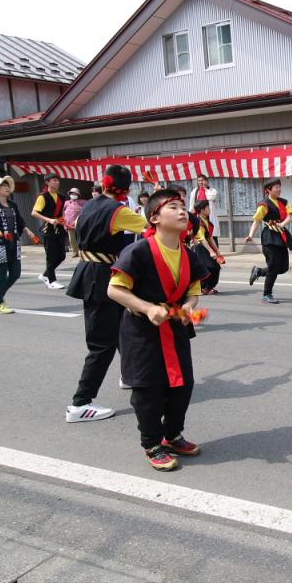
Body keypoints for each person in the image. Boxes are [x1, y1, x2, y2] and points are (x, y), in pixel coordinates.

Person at [108, 188, 209, 471]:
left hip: (175, 328)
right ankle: (152, 444)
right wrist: (147, 307)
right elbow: (114, 290)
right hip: (142, 330)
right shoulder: (138, 250)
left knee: (182, 386)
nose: (182, 212)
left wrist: (189, 306)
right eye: (173, 206)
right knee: (148, 391)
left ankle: (172, 435)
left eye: (182, 207)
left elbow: (194, 290)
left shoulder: (188, 253)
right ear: (154, 217)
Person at [64, 165, 148, 423]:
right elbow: (151, 225)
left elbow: (76, 229)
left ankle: (129, 374)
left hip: (89, 269)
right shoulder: (118, 211)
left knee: (121, 325)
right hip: (101, 275)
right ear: (126, 189)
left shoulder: (89, 204)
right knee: (101, 344)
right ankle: (80, 403)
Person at [0, 176, 39, 314]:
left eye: (7, 185)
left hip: (13, 242)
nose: (7, 188)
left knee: (15, 273)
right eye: (3, 185)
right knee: (1, 275)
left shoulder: (13, 204)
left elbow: (19, 221)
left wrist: (27, 230)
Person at [246, 178, 292, 304]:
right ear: (268, 190)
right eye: (276, 187)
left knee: (283, 267)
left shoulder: (284, 202)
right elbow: (257, 221)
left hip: (281, 236)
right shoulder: (264, 204)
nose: (279, 189)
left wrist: (282, 224)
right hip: (269, 237)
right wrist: (251, 235)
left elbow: (289, 216)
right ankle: (266, 294)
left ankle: (259, 271)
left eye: (279, 186)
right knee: (273, 267)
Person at [32, 174, 68, 289]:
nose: (57, 182)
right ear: (47, 182)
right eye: (54, 180)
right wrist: (49, 220)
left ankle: (45, 274)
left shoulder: (62, 197)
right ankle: (51, 281)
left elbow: (62, 212)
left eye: (58, 180)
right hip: (48, 229)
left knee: (62, 256)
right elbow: (34, 213)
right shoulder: (43, 197)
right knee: (51, 256)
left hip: (59, 228)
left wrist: (63, 219)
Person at [190, 199, 224, 295]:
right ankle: (203, 288)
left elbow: (209, 237)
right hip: (200, 247)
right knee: (208, 268)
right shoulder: (198, 222)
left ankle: (208, 287)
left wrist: (217, 251)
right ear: (202, 210)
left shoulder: (207, 221)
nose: (209, 209)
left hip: (206, 246)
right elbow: (202, 239)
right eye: (207, 207)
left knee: (215, 267)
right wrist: (211, 251)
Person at [188, 176, 219, 245]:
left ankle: (216, 251)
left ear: (207, 181)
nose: (200, 182)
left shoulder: (212, 190)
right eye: (199, 181)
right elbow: (192, 204)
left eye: (202, 180)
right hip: (199, 216)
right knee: (200, 235)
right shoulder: (195, 191)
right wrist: (191, 215)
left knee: (212, 235)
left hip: (210, 216)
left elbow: (211, 197)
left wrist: (205, 188)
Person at [63, 187, 85, 258]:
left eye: (75, 193)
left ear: (78, 194)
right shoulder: (66, 203)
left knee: (81, 238)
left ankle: (82, 251)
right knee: (72, 239)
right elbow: (61, 211)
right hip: (69, 225)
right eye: (72, 193)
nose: (73, 195)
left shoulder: (83, 202)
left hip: (79, 224)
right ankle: (75, 252)